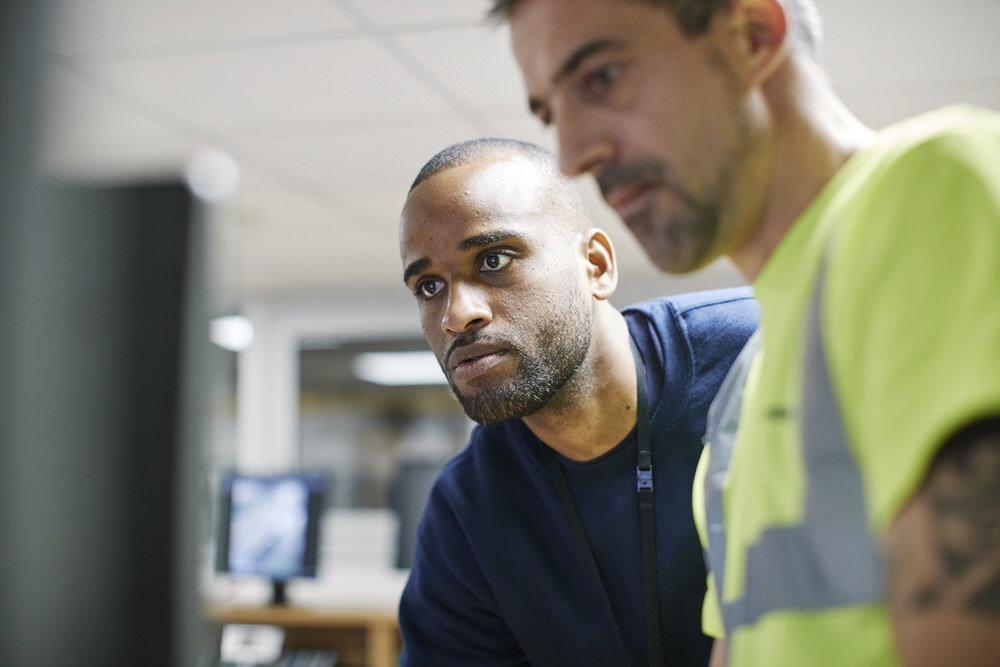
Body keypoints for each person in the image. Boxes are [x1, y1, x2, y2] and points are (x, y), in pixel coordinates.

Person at [491, 0, 1000, 665]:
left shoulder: (932, 191)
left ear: (753, 34)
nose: (574, 154)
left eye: (602, 77)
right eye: (552, 113)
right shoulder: (744, 397)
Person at [397, 137, 758, 666]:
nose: (457, 314)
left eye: (493, 259)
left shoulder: (759, 352)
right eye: (428, 287)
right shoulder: (468, 509)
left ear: (595, 265)